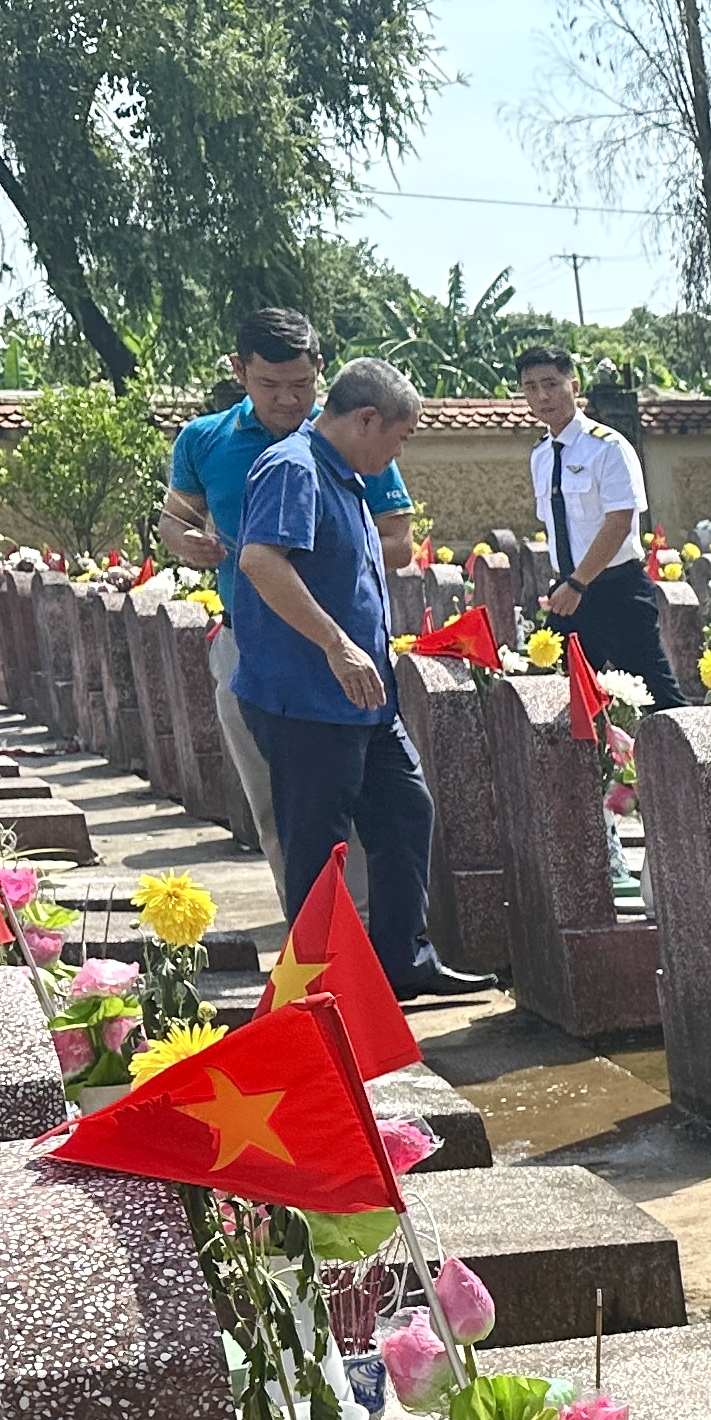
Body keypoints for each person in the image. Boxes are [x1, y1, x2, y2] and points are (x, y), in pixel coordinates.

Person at [228, 359, 485, 1000]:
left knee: (404, 809)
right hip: (309, 697)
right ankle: (322, 988)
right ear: (365, 419)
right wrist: (338, 646)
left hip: (364, 702)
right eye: (398, 437)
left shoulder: (345, 478)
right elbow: (261, 560)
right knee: (317, 846)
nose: (399, 452)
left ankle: (404, 960)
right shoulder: (295, 467)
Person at [159, 309, 417, 862]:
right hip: (249, 644)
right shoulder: (204, 441)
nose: (287, 400)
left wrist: (321, 534)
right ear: (238, 370)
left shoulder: (352, 431)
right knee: (280, 815)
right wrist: (189, 543)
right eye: (269, 385)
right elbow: (173, 521)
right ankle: (309, 939)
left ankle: (362, 938)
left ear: (319, 371)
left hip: (338, 648)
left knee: (370, 810)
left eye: (300, 384)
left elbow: (399, 543)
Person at [519, 344, 678, 703]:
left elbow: (619, 523)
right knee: (561, 704)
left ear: (574, 387)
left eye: (551, 384)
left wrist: (577, 582)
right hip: (568, 594)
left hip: (616, 591)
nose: (542, 396)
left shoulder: (608, 447)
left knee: (660, 702)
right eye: (531, 387)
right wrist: (568, 583)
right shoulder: (541, 455)